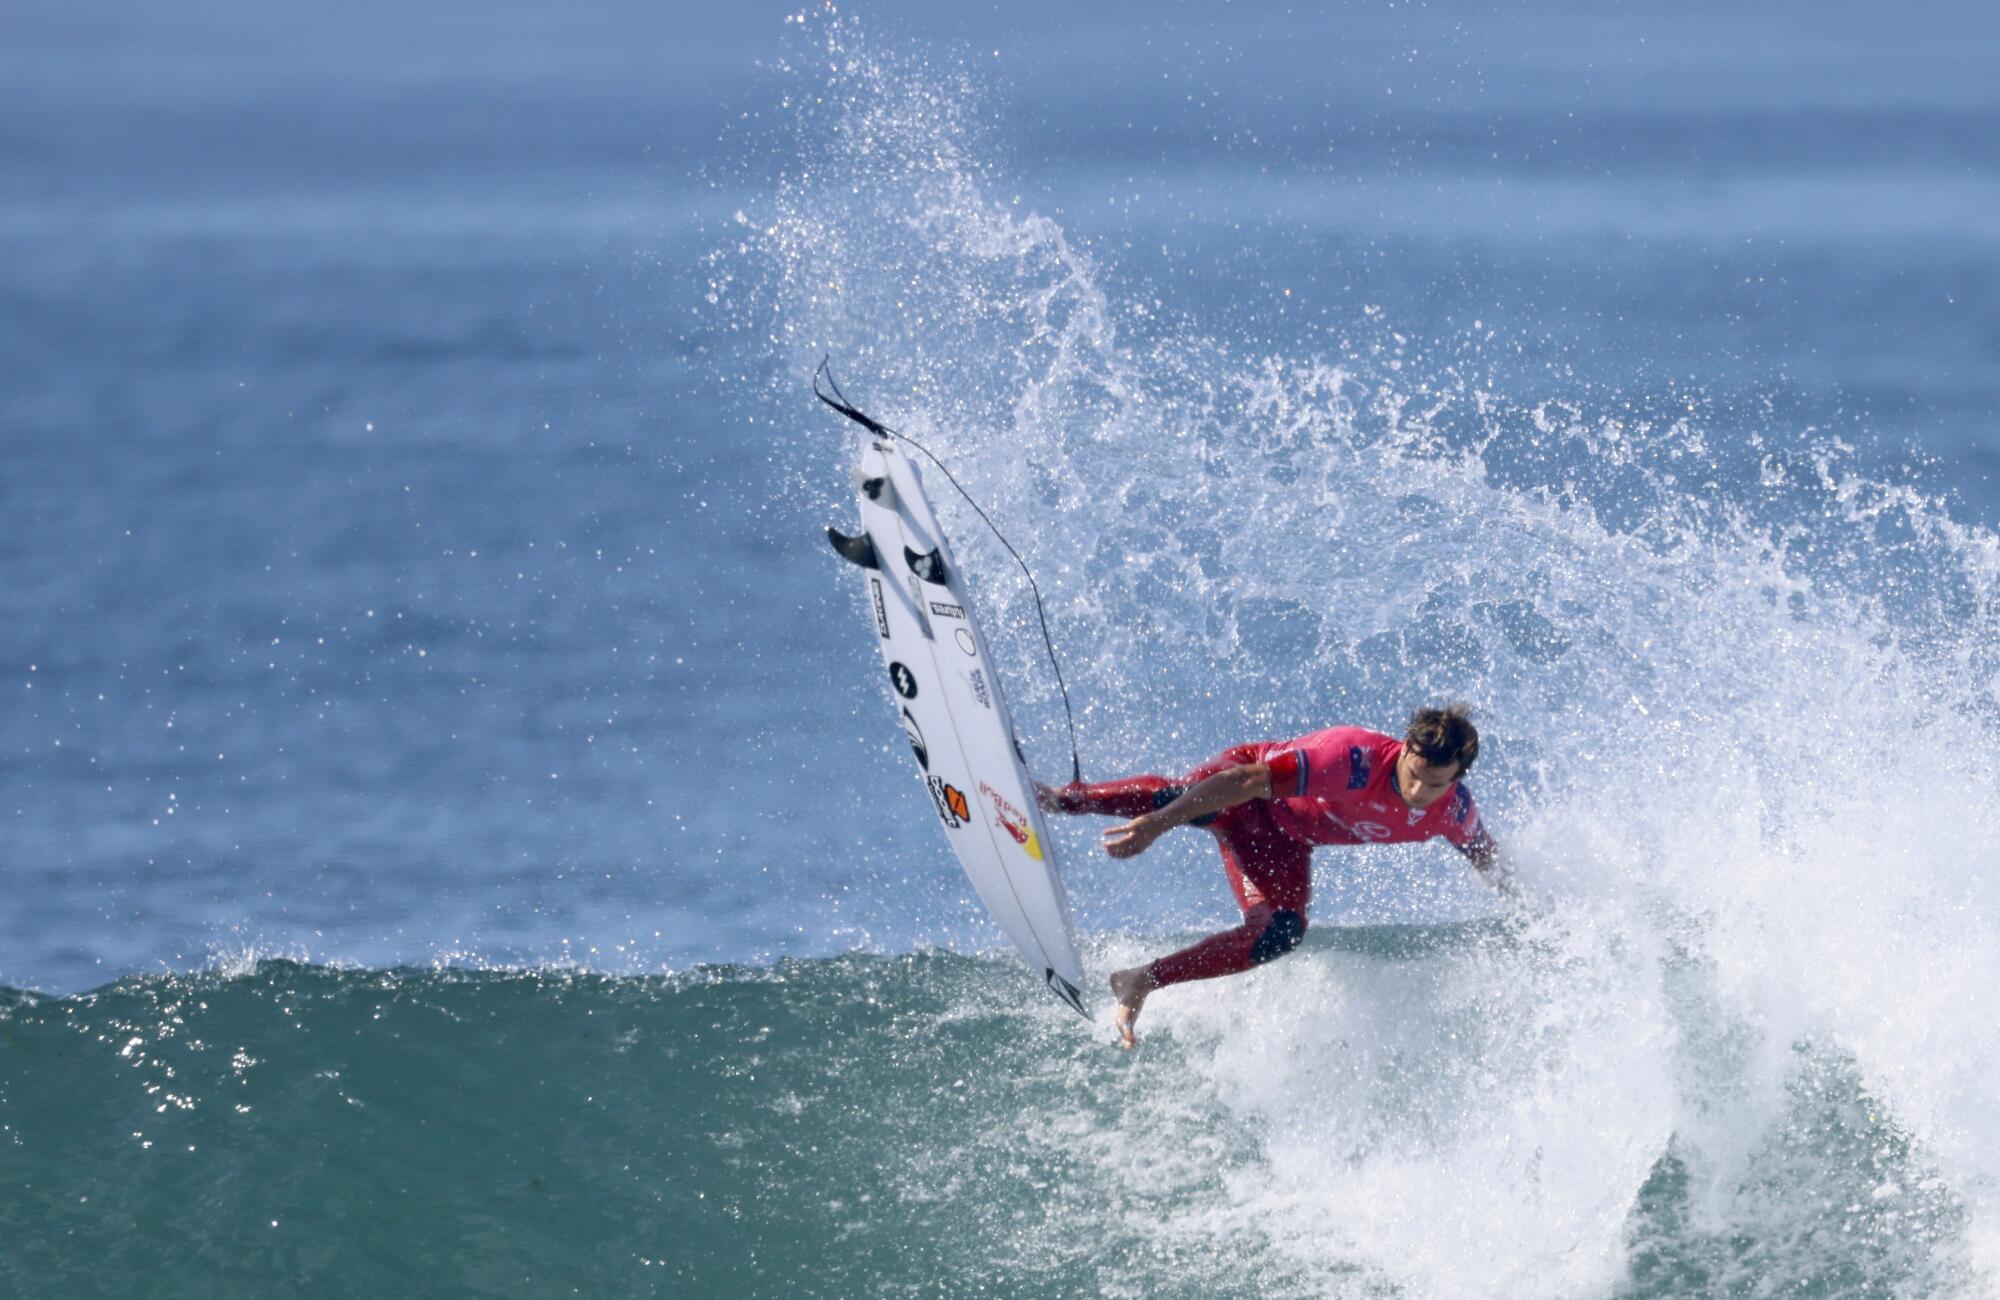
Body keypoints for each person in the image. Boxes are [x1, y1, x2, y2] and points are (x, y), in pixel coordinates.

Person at [1041, 704, 1509, 1049]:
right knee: (1190, 802)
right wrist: (1159, 826)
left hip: (1280, 843)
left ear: (1459, 777)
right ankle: (1060, 799)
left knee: (1280, 934)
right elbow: (1245, 781)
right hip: (1245, 793)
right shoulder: (1353, 759)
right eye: (1413, 774)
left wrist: (1535, 909)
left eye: (1435, 784)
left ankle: (1141, 979)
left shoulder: (1455, 812)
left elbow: (1486, 858)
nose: (1417, 791)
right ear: (1404, 750)